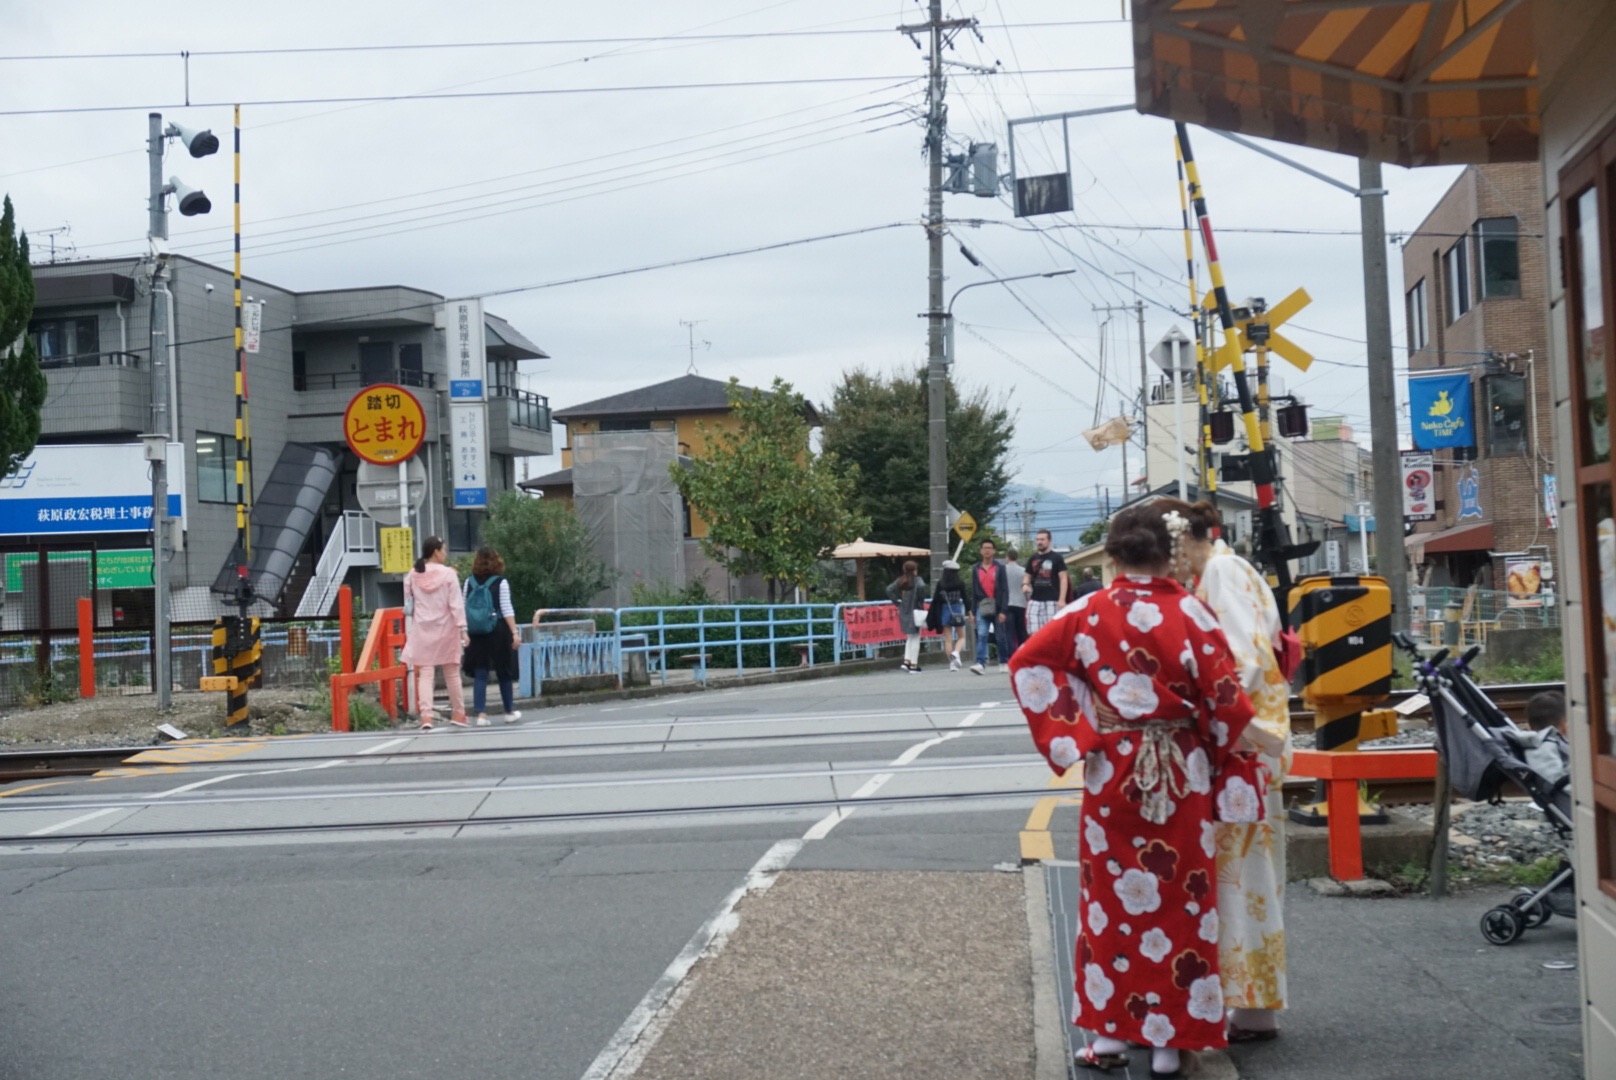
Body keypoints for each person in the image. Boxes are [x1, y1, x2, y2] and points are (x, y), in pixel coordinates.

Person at [1009, 501, 1256, 1078]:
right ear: (1168, 554)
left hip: (1113, 771)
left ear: (1113, 556)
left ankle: (1110, 1038)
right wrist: (1215, 754)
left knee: (1110, 904)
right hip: (1182, 772)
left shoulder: (1089, 611)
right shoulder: (1193, 612)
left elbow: (1028, 662)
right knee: (1182, 904)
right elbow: (1227, 703)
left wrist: (1079, 733)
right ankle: (1171, 1046)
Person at [1174, 499, 1290, 1045]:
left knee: (1240, 878)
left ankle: (1249, 1003)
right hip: (1249, 743)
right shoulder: (1232, 567)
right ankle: (1252, 1005)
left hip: (1237, 743)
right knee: (1250, 877)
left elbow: (1242, 659)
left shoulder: (1219, 572)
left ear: (1180, 542)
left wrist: (1195, 712)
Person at [400, 536, 468, 731]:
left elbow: (408, 602)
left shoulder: (413, 574)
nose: (445, 554)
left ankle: (426, 717)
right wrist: (463, 629)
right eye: (444, 550)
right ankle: (458, 713)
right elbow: (456, 604)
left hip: (422, 628)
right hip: (446, 628)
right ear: (436, 552)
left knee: (426, 673)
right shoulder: (448, 574)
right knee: (452, 672)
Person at [462, 546, 522, 726]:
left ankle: (480, 714)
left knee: (480, 673)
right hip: (498, 631)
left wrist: (464, 631)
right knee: (504, 671)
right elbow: (506, 608)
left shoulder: (469, 582)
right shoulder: (501, 582)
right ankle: (509, 711)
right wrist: (514, 632)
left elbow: (463, 607)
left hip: (476, 633)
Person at [967, 539, 1010, 675]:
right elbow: (973, 591)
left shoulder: (1000, 568)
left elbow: (1004, 589)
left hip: (997, 606)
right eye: (984, 548)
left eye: (990, 548)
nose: (987, 550)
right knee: (982, 634)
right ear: (980, 551)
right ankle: (980, 663)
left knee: (1000, 636)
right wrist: (972, 611)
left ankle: (1003, 661)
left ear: (994, 551)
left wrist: (1004, 610)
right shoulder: (976, 569)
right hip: (982, 606)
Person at [1023, 529, 1070, 634]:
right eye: (1038, 539)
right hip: (1035, 599)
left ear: (1049, 541)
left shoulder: (1057, 558)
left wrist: (1062, 600)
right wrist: (1025, 584)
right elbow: (1027, 575)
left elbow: (1063, 578)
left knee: (1052, 632)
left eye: (1042, 539)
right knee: (1033, 631)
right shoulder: (1033, 558)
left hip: (1052, 600)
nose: (1039, 542)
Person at [925, 560, 969, 671]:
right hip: (957, 610)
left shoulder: (941, 584)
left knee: (948, 639)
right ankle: (956, 652)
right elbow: (965, 598)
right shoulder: (960, 583)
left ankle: (952, 664)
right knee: (962, 637)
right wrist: (969, 611)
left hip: (945, 610)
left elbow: (936, 599)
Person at [886, 559, 928, 673]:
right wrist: (920, 601)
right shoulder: (918, 580)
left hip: (904, 611)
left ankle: (906, 661)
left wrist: (898, 602)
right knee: (916, 638)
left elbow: (889, 589)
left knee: (910, 637)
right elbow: (922, 588)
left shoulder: (901, 580)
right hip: (915, 611)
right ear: (915, 570)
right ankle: (914, 665)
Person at [1003, 547, 1028, 654]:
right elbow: (1028, 589)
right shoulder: (1023, 571)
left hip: (1007, 603)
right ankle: (1024, 652)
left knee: (1009, 632)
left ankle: (1012, 655)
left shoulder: (1002, 570)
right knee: (1021, 631)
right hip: (1021, 603)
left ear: (1007, 557)